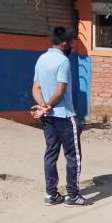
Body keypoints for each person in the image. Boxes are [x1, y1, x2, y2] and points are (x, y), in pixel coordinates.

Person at [31, 28, 89, 206]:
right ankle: (73, 195)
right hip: (65, 116)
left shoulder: (42, 59)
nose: (73, 46)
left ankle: (51, 194)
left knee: (51, 154)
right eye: (72, 42)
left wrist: (43, 107)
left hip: (48, 117)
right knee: (73, 156)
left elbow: (36, 88)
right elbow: (60, 90)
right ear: (64, 43)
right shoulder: (63, 61)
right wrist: (48, 106)